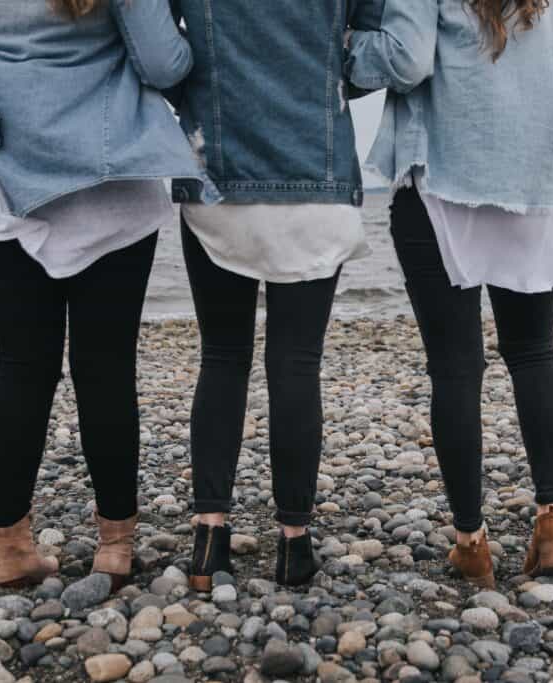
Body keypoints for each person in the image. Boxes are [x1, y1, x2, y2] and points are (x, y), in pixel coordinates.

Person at [0, 0, 216, 590]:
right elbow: (165, 65)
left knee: (20, 366)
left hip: (7, 178)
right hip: (108, 179)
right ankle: (115, 548)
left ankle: (11, 547)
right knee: (106, 369)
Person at [346, 0, 553, 588]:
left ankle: (471, 545)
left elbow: (406, 62)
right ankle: (552, 522)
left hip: (441, 182)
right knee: (533, 354)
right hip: (531, 183)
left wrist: (347, 44)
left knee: (455, 369)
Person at [170, 1, 387, 588]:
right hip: (317, 175)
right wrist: (322, 69)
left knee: (222, 357)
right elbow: (381, 52)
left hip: (219, 169)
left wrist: (204, 76)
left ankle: (209, 537)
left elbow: (159, 54)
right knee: (296, 365)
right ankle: (294, 542)